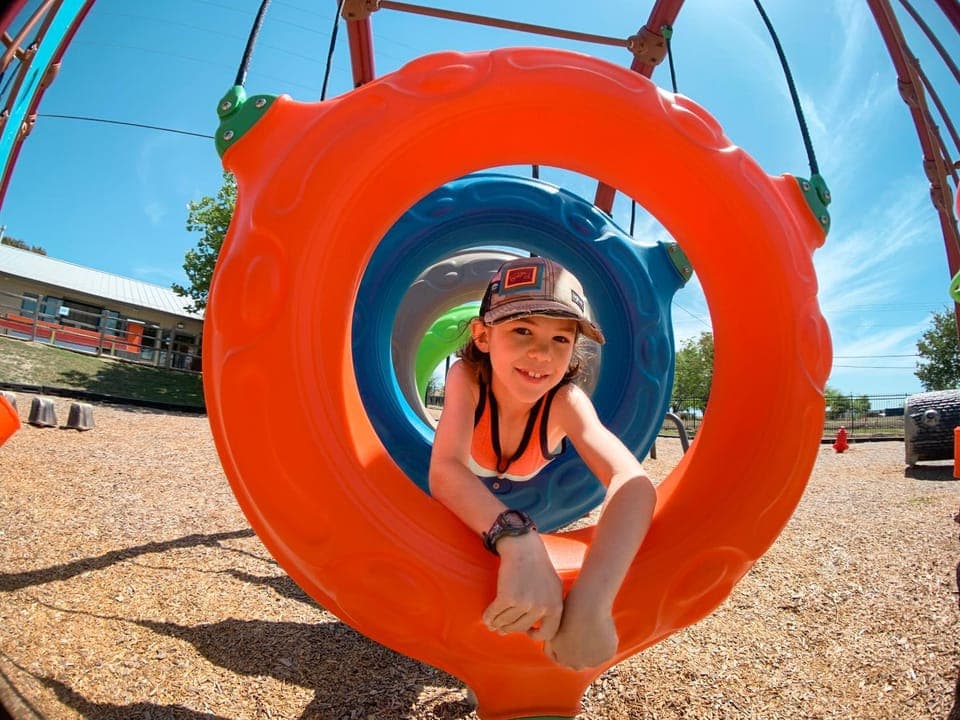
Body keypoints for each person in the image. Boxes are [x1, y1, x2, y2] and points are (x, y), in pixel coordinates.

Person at [429, 256, 657, 671]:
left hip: (536, 495)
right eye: (521, 330)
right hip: (469, 481)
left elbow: (633, 482)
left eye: (560, 339)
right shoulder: (468, 376)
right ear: (483, 336)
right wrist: (520, 541)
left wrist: (592, 603)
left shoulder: (564, 402)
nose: (541, 353)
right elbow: (445, 471)